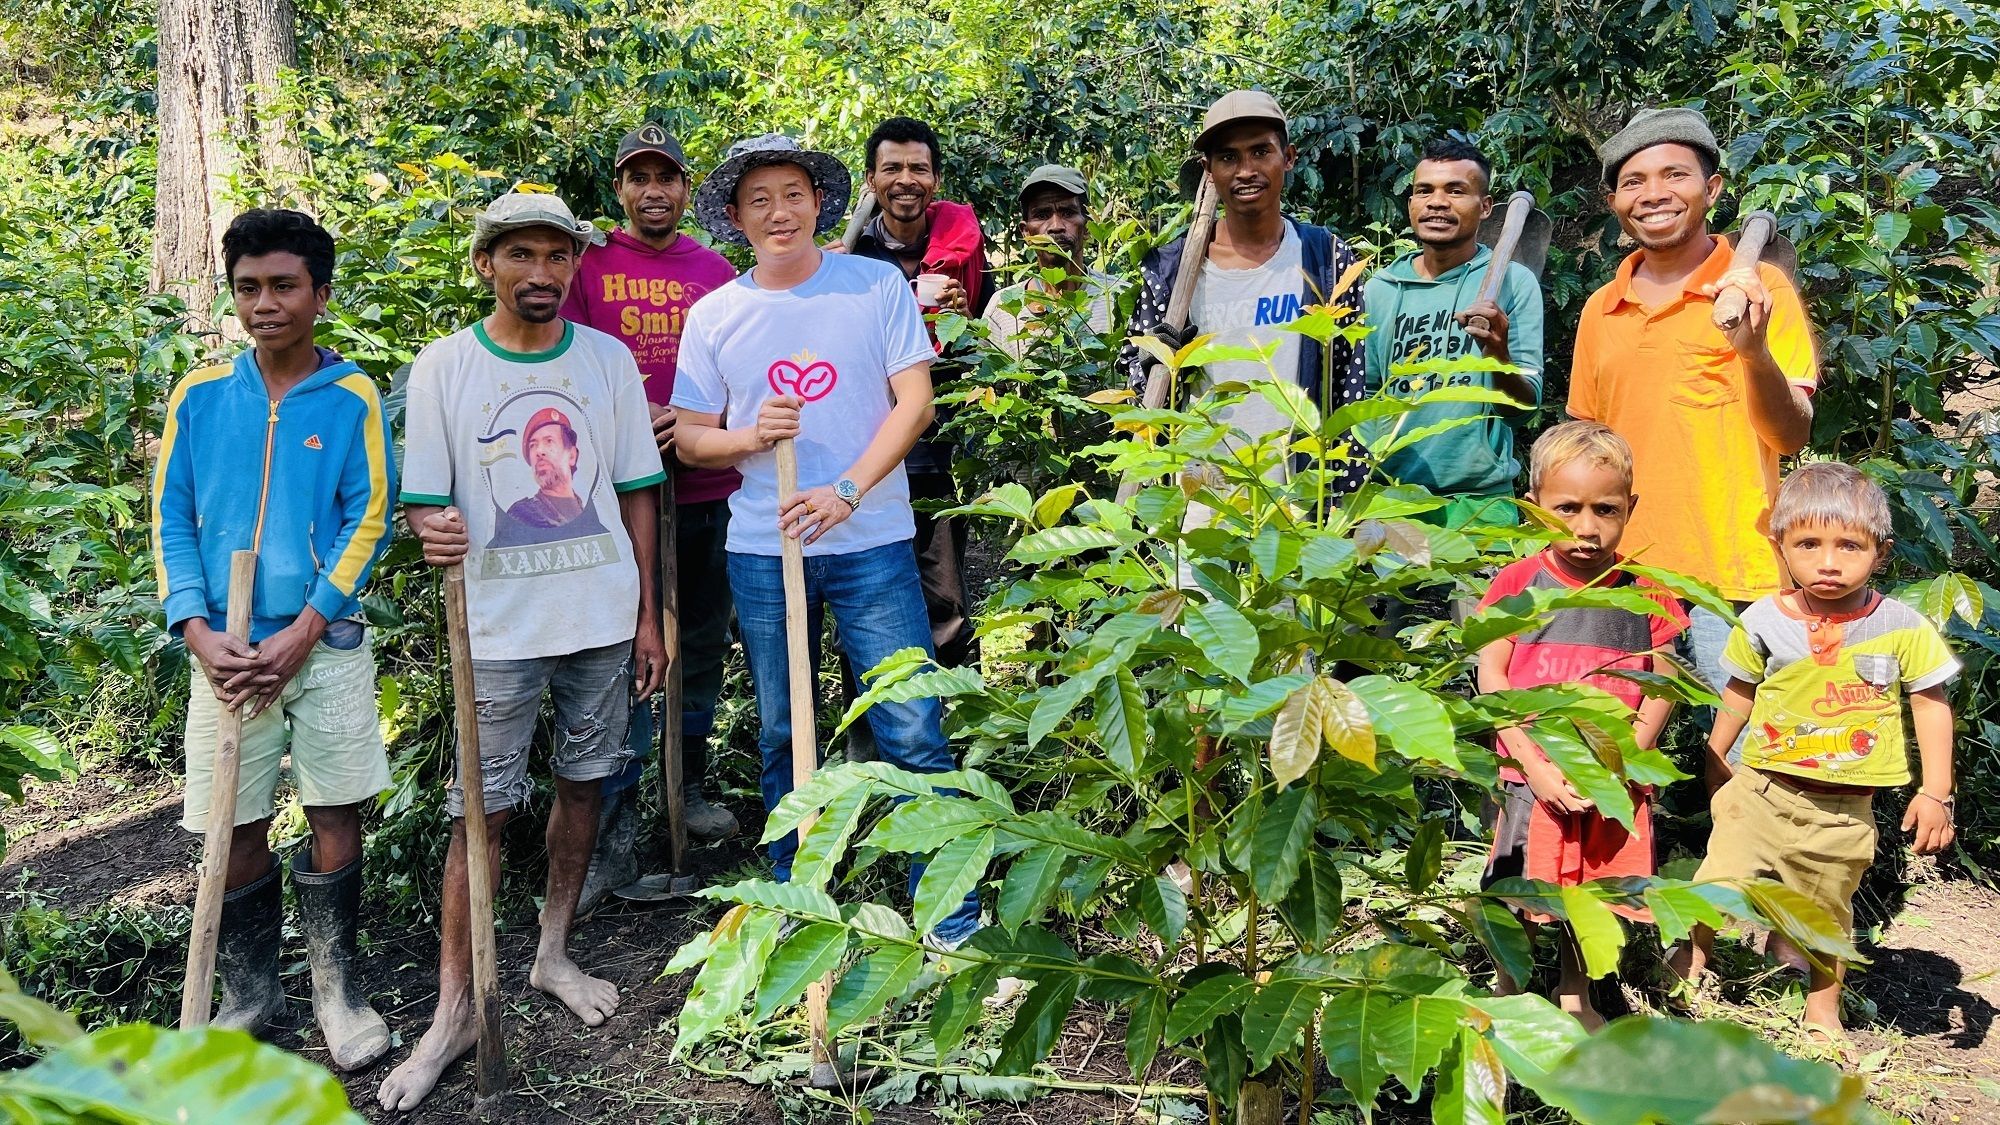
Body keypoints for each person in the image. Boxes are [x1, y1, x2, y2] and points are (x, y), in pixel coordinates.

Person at [379, 192, 668, 1111]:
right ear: (486, 265)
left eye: (557, 256)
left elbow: (636, 492)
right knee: (483, 812)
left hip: (600, 615)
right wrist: (432, 525)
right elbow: (425, 499)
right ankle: (455, 1008)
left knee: (585, 783)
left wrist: (649, 614)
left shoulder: (608, 361)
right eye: (521, 256)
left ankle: (549, 954)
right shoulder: (445, 367)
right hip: (496, 627)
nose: (541, 273)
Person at [671, 133, 982, 947]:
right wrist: (747, 437)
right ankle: (798, 901)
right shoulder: (716, 314)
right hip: (766, 551)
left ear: (820, 203)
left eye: (794, 194)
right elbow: (693, 439)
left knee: (913, 723)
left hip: (873, 542)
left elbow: (913, 405)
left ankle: (950, 920)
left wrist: (847, 491)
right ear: (737, 217)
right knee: (784, 728)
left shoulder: (875, 286)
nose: (780, 212)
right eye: (760, 200)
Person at [153, 207, 396, 1072]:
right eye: (249, 287)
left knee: (335, 806)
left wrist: (307, 624)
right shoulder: (201, 397)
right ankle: (252, 991)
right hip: (224, 652)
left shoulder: (354, 396)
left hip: (322, 646)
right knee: (236, 820)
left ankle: (337, 986)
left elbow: (369, 516)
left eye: (284, 285)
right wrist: (195, 627)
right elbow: (173, 515)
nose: (265, 303)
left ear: (320, 295)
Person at [1672, 463, 1958, 1038]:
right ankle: (1691, 956)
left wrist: (1936, 793)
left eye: (1848, 545)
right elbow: (1739, 693)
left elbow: (1931, 704)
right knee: (1717, 881)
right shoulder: (1762, 620)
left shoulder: (1902, 627)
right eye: (1808, 544)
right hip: (1761, 788)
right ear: (1780, 548)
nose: (1828, 561)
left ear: (1881, 551)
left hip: (1843, 811)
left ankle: (1823, 1008)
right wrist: (1715, 755)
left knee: (1828, 912)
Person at [1567, 107, 1819, 727]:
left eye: (1673, 175)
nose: (1653, 194)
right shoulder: (1602, 307)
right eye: (1633, 181)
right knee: (1609, 745)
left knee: (1744, 757)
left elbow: (1792, 433)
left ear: (1712, 190)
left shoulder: (1763, 290)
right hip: (1621, 568)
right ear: (1613, 202)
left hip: (1731, 570)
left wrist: (1754, 351)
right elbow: (1587, 446)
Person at [561, 125, 743, 911]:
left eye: (666, 177)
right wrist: (630, 416)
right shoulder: (591, 264)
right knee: (627, 651)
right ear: (620, 191)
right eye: (638, 178)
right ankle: (619, 817)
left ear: (684, 186)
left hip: (706, 490)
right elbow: (561, 358)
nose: (653, 192)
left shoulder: (715, 269)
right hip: (615, 495)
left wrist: (697, 419)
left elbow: (744, 366)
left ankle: (688, 780)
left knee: (699, 642)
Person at [1476, 421, 1687, 1030]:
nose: (1586, 528)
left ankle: (1576, 996)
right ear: (1535, 504)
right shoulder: (1518, 583)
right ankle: (1507, 988)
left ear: (1631, 508)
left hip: (1612, 777)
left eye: (1605, 509)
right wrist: (1535, 768)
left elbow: (1662, 683)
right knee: (1516, 883)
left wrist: (1618, 767)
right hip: (1530, 776)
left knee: (1593, 894)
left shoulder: (1648, 590)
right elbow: (1492, 678)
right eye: (1566, 508)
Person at [1121, 89, 1368, 492]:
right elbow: (1140, 390)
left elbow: (1351, 385)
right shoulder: (1170, 270)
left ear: (1288, 157)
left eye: (1260, 152)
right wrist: (1160, 361)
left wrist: (1343, 500)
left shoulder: (1328, 260)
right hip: (1198, 509)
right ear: (1208, 170)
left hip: (1301, 503)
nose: (1245, 170)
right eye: (1228, 157)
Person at [847, 116, 986, 672]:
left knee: (946, 599)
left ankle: (959, 727)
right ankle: (872, 732)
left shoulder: (964, 252)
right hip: (868, 454)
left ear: (935, 179)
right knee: (867, 593)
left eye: (918, 168)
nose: (906, 179)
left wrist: (964, 318)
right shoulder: (849, 259)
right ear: (872, 179)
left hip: (938, 454)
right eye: (892, 168)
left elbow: (995, 341)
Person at [1362, 137, 1543, 527]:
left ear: (1486, 207)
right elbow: (1366, 400)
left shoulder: (1514, 282)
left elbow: (1523, 412)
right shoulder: (1380, 288)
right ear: (1410, 204)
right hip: (1389, 503)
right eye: (1424, 191)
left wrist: (1498, 354)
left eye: (1456, 191)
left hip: (1480, 508)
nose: (1437, 202)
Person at [982, 163, 1121, 361]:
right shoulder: (1002, 307)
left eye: (1068, 213)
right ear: (1026, 232)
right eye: (1042, 215)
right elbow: (987, 384)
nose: (1056, 227)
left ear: (1088, 226)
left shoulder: (1119, 297)